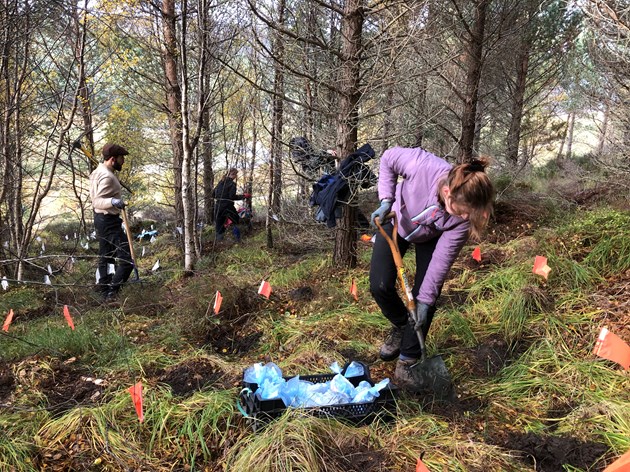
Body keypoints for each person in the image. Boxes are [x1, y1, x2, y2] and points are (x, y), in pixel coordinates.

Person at [369, 146, 494, 391]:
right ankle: (401, 326)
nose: (467, 217)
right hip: (395, 221)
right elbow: (388, 159)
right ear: (447, 193)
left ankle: (408, 361)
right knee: (380, 285)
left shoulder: (460, 222)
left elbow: (441, 263)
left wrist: (424, 302)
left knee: (427, 297)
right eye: (464, 211)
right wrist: (386, 200)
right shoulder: (423, 166)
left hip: (431, 238)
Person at [89, 144, 134, 303]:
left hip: (101, 220)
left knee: (106, 256)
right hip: (108, 221)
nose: (123, 162)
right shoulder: (107, 176)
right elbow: (97, 201)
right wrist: (114, 201)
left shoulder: (98, 172)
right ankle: (112, 292)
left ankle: (104, 288)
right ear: (113, 159)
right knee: (127, 260)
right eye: (121, 159)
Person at [213, 168, 251, 242]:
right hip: (227, 206)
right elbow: (232, 197)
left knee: (219, 224)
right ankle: (238, 239)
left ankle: (219, 242)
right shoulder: (232, 184)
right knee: (235, 220)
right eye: (235, 174)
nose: (236, 176)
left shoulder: (220, 182)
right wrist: (244, 196)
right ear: (232, 174)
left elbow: (213, 194)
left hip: (218, 206)